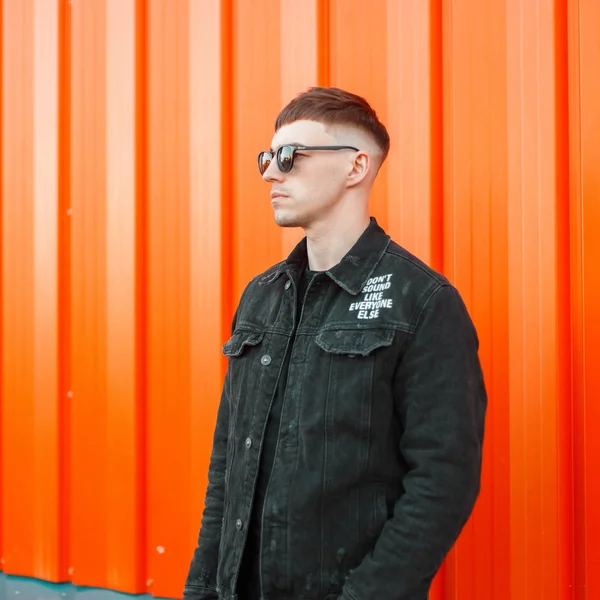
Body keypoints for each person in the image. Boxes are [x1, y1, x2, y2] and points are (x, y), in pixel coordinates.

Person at [183, 87, 487, 600]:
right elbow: (228, 467)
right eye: (266, 157)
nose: (270, 173)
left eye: (290, 157)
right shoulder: (261, 296)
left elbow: (442, 482)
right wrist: (202, 589)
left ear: (356, 167)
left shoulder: (422, 302)